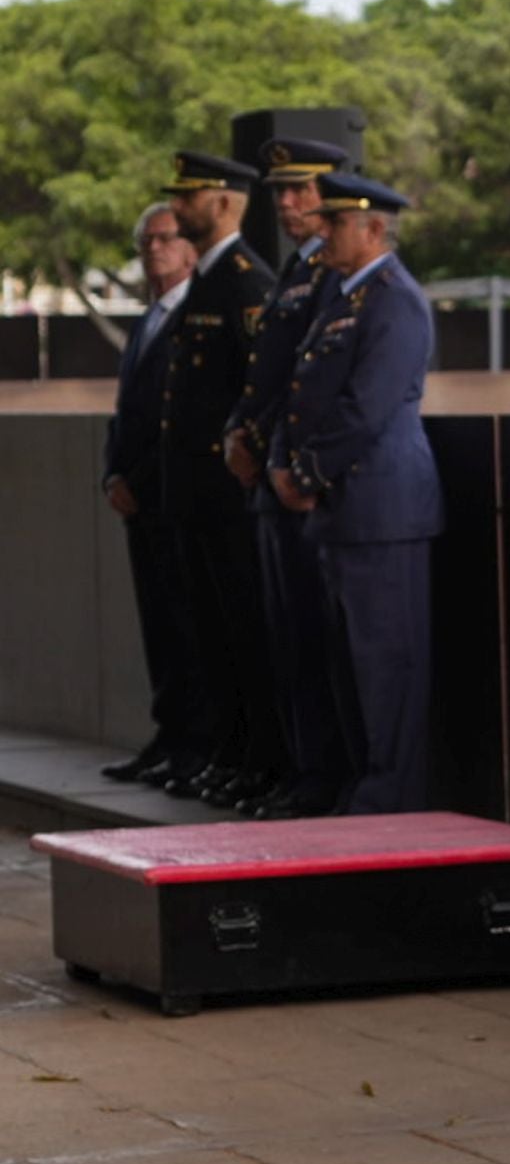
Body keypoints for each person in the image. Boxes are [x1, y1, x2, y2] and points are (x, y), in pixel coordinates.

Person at [270, 172, 444, 815]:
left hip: (381, 509)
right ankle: (360, 789)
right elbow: (302, 394)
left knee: (385, 667)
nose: (322, 229)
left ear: (374, 230)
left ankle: (387, 800)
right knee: (347, 666)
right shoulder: (343, 298)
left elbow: (366, 407)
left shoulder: (393, 299)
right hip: (345, 510)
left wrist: (306, 472)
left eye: (336, 222)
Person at [224, 137, 354, 819]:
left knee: (317, 641)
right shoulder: (295, 272)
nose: (289, 202)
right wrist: (239, 434)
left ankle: (324, 775)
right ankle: (301, 769)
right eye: (280, 191)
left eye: (302, 189)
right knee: (287, 641)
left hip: (304, 483)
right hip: (271, 475)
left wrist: (272, 450)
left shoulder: (338, 278)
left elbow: (319, 385)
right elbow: (267, 374)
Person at [157, 151, 285, 805]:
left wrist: (246, 456)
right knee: (209, 633)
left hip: (230, 495)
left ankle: (262, 758)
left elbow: (258, 390)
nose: (177, 210)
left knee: (245, 632)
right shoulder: (204, 283)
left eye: (190, 198)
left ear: (228, 203)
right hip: (193, 496)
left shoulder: (246, 282)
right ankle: (230, 753)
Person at [99, 205, 210, 785]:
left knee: (189, 625)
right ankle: (169, 737)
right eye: (144, 240)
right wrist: (111, 475)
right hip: (137, 500)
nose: (152, 250)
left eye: (164, 239)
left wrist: (137, 481)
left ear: (192, 250)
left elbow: (180, 419)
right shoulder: (148, 318)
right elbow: (127, 414)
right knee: (158, 627)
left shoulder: (199, 314)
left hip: (172, 496)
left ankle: (196, 746)